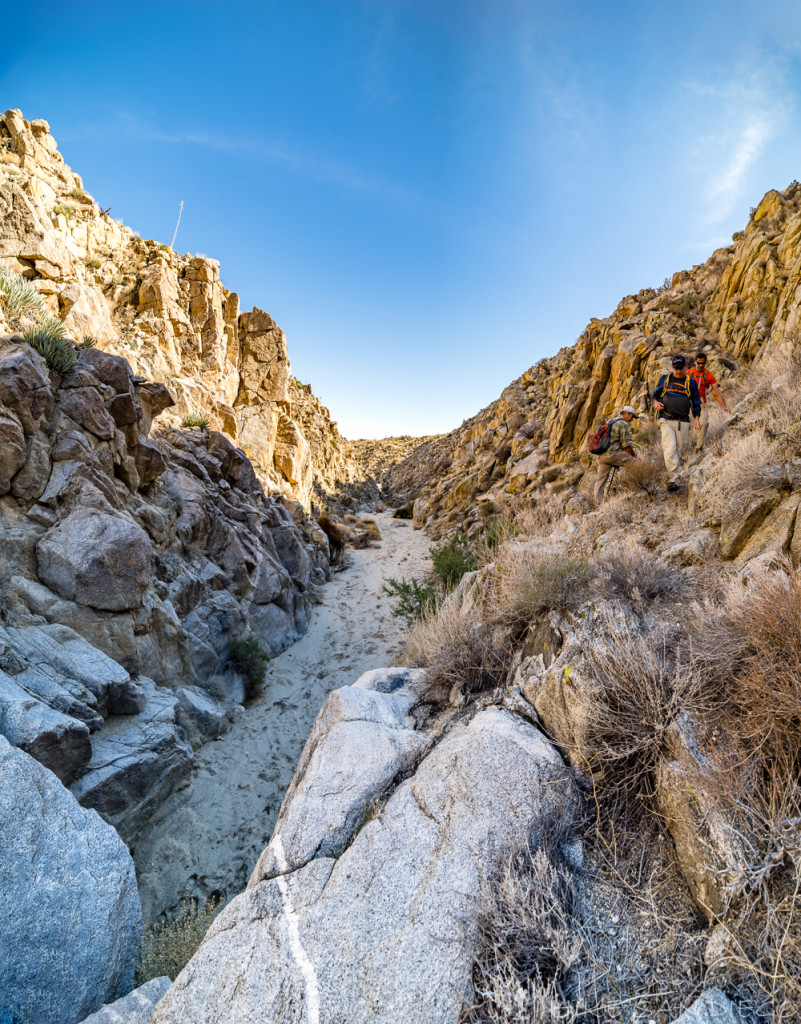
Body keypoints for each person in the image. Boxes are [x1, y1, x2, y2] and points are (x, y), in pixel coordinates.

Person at [653, 355, 701, 491]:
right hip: (666, 419)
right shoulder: (665, 379)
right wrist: (656, 403)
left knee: (682, 450)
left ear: (685, 367)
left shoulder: (691, 383)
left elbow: (696, 403)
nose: (678, 371)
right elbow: (655, 395)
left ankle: (680, 476)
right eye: (676, 368)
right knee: (670, 448)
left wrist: (696, 418)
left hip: (683, 421)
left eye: (680, 368)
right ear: (673, 367)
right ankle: (672, 481)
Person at [593, 406, 640, 504]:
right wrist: (635, 456)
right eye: (632, 417)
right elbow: (626, 445)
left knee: (600, 480)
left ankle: (597, 503)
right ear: (626, 413)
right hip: (613, 454)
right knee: (638, 465)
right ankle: (639, 491)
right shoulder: (623, 424)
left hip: (602, 456)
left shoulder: (610, 421)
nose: (632, 419)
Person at [688, 351, 729, 451]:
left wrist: (724, 406)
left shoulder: (709, 375)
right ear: (695, 362)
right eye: (699, 363)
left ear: (706, 362)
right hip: (688, 403)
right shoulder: (689, 373)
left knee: (704, 423)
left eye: (703, 363)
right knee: (686, 428)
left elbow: (716, 392)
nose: (701, 365)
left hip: (702, 403)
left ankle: (699, 447)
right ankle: (686, 451)